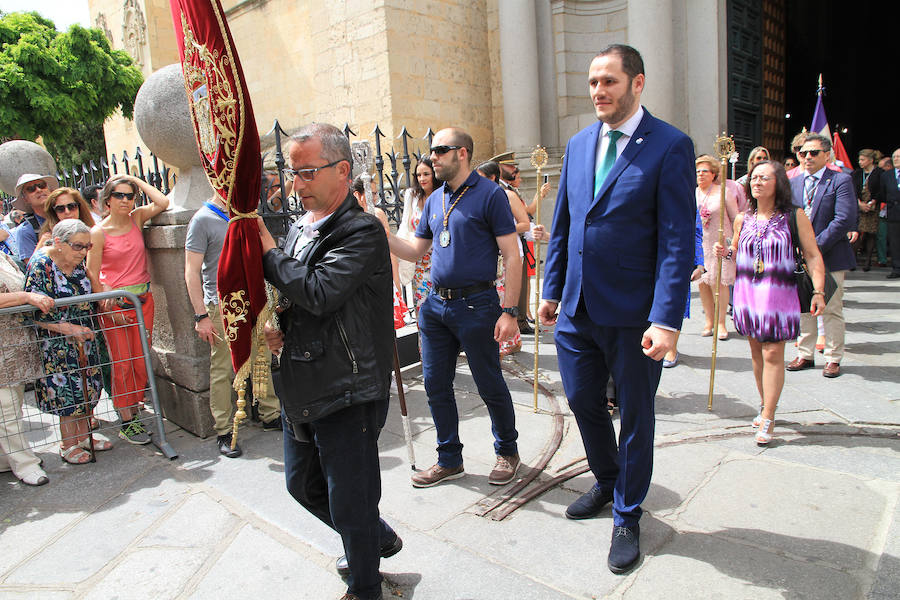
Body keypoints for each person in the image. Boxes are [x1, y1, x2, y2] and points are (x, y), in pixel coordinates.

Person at [538, 44, 695, 574]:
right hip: (578, 309)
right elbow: (563, 224)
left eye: (609, 81)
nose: (599, 91)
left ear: (637, 83)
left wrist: (667, 318)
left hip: (635, 315)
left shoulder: (669, 146)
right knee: (583, 399)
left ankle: (627, 514)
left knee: (635, 417)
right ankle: (606, 481)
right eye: (592, 83)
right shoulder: (579, 145)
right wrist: (550, 289)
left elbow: (677, 240)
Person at [259, 123, 400, 600]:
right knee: (301, 484)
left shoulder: (361, 230)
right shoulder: (301, 226)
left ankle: (365, 586)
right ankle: (373, 539)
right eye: (291, 172)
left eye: (305, 172)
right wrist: (278, 322)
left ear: (342, 171)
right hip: (301, 377)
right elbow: (298, 294)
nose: (294, 184)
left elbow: (320, 291)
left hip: (348, 384)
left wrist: (264, 249)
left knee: (351, 498)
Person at [387, 127, 523, 489]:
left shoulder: (490, 195)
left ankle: (507, 451)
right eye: (432, 151)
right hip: (435, 305)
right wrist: (382, 233)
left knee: (488, 381)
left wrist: (509, 311)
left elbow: (512, 255)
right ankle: (449, 459)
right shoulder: (434, 200)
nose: (432, 157)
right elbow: (417, 251)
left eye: (440, 150)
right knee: (435, 384)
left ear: (462, 153)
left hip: (477, 305)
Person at [715, 161, 826, 444]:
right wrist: (725, 251)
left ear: (779, 183)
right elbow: (737, 253)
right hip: (748, 295)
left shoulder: (794, 216)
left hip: (778, 295)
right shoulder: (743, 218)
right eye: (754, 178)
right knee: (756, 353)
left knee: (773, 354)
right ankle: (766, 404)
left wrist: (818, 291)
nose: (757, 182)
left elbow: (812, 255)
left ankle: (768, 416)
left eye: (764, 178)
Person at [185, 193, 282, 459]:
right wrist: (200, 315)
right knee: (223, 367)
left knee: (262, 357)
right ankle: (225, 429)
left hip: (255, 299)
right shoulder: (202, 219)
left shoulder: (249, 214)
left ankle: (270, 413)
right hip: (221, 305)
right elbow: (191, 270)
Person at [87, 174, 169, 443]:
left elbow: (163, 201)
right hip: (117, 306)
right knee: (122, 364)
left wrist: (134, 178)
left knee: (140, 360)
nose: (125, 200)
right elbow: (92, 272)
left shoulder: (136, 218)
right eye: (119, 195)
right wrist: (106, 305)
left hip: (143, 301)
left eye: (129, 195)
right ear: (107, 200)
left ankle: (133, 409)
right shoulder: (98, 232)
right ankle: (127, 419)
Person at [25, 220, 110, 464]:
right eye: (78, 246)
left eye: (87, 246)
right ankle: (68, 444)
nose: (83, 252)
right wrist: (68, 329)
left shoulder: (78, 262)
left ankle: (85, 436)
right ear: (59, 243)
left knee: (88, 387)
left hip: (85, 337)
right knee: (67, 394)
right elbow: (33, 312)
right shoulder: (42, 265)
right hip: (57, 344)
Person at [786, 133, 857, 378]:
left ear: (827, 155)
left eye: (813, 152)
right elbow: (786, 217)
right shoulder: (792, 182)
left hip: (831, 255)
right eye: (803, 153)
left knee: (831, 307)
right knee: (803, 306)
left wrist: (813, 247)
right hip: (799, 258)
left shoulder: (840, 180)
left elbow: (843, 219)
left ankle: (833, 356)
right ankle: (805, 353)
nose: (807, 157)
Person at [1, 252, 53, 485]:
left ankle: (7, 457)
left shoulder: (3, 256)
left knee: (14, 405)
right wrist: (25, 297)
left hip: (16, 345)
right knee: (7, 410)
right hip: (3, 349)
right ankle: (24, 464)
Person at [476, 160, 528, 355]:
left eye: (480, 178)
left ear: (492, 178)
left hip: (510, 255)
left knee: (507, 299)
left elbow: (524, 223)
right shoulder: (480, 197)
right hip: (490, 255)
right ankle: (504, 340)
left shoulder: (508, 195)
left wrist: (501, 230)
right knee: (495, 299)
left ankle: (511, 341)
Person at [351, 174, 408, 328]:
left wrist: (395, 280)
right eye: (372, 193)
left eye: (376, 193)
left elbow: (390, 250)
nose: (375, 197)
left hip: (381, 276)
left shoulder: (378, 214)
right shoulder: (349, 218)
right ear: (358, 194)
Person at [696, 154, 739, 340]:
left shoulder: (723, 192)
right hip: (700, 244)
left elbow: (736, 217)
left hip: (719, 243)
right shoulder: (694, 192)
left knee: (719, 283)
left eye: (705, 171)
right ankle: (709, 320)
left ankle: (721, 322)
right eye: (698, 171)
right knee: (703, 283)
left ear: (713, 174)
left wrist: (733, 243)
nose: (700, 175)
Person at [662, 210, 705, 368]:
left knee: (675, 305)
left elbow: (696, 232)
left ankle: (671, 348)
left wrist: (699, 264)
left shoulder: (685, 198)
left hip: (676, 260)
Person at [397, 157, 437, 315]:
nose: (422, 179)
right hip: (418, 262)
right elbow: (405, 226)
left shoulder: (444, 195)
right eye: (418, 175)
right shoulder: (412, 195)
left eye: (426, 174)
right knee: (422, 309)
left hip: (439, 260)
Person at [11, 174, 57, 262]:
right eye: (31, 189)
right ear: (25, 199)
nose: (39, 190)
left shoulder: (66, 213)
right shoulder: (25, 231)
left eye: (41, 186)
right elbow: (32, 269)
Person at [851, 149, 882, 271]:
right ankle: (853, 260)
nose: (860, 162)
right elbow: (852, 189)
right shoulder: (856, 173)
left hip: (873, 206)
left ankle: (868, 261)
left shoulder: (879, 173)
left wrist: (873, 201)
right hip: (859, 205)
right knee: (857, 233)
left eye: (863, 159)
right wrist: (859, 203)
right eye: (859, 159)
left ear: (871, 160)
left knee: (871, 233)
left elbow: (881, 190)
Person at [875, 148, 900, 279]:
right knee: (895, 242)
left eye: (898, 157)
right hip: (894, 212)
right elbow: (883, 194)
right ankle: (897, 268)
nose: (895, 159)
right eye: (894, 156)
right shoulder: (886, 175)